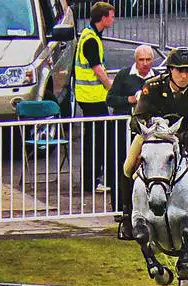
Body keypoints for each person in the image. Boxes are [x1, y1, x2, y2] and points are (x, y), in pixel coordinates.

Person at [116, 47, 188, 239]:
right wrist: (148, 130)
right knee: (128, 165)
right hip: (154, 135)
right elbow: (138, 116)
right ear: (170, 69)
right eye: (180, 70)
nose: (184, 74)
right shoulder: (152, 86)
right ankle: (126, 216)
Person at [107, 45, 156, 222]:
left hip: (147, 133)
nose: (144, 64)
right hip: (123, 130)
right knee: (121, 166)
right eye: (141, 60)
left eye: (148, 60)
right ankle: (120, 208)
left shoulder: (156, 77)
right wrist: (130, 100)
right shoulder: (123, 75)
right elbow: (110, 99)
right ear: (135, 60)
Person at [75, 1, 115, 191]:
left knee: (97, 137)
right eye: (111, 16)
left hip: (90, 96)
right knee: (98, 139)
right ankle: (92, 181)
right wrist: (110, 86)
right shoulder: (90, 39)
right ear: (103, 18)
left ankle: (93, 179)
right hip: (91, 97)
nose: (113, 19)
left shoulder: (91, 35)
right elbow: (97, 69)